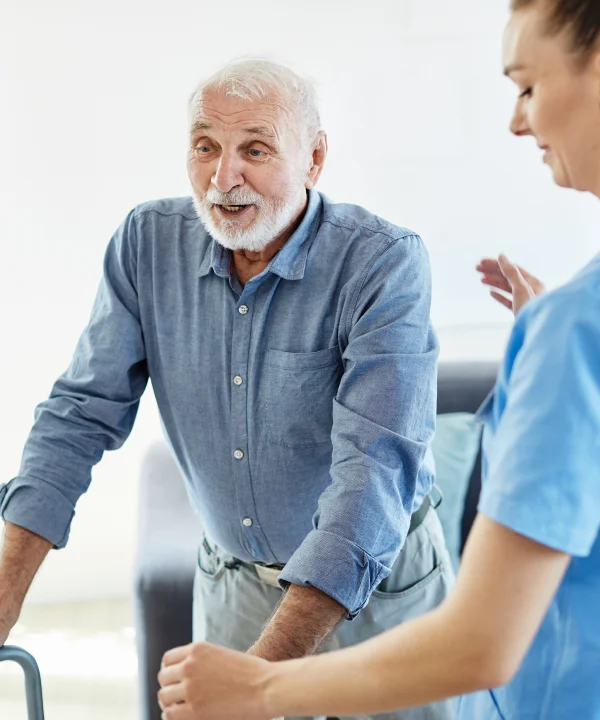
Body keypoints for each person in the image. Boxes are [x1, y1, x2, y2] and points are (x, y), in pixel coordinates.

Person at [156, 2, 600, 719]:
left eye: (527, 86)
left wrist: (261, 688)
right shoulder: (575, 322)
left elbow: (482, 643)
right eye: (205, 145)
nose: (518, 120)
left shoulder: (566, 325)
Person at [0, 59, 455, 720]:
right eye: (206, 146)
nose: (224, 177)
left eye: (256, 149)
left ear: (315, 157)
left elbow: (371, 484)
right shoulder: (145, 244)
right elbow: (77, 416)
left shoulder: (382, 262)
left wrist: (258, 681)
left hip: (382, 593)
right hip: (237, 585)